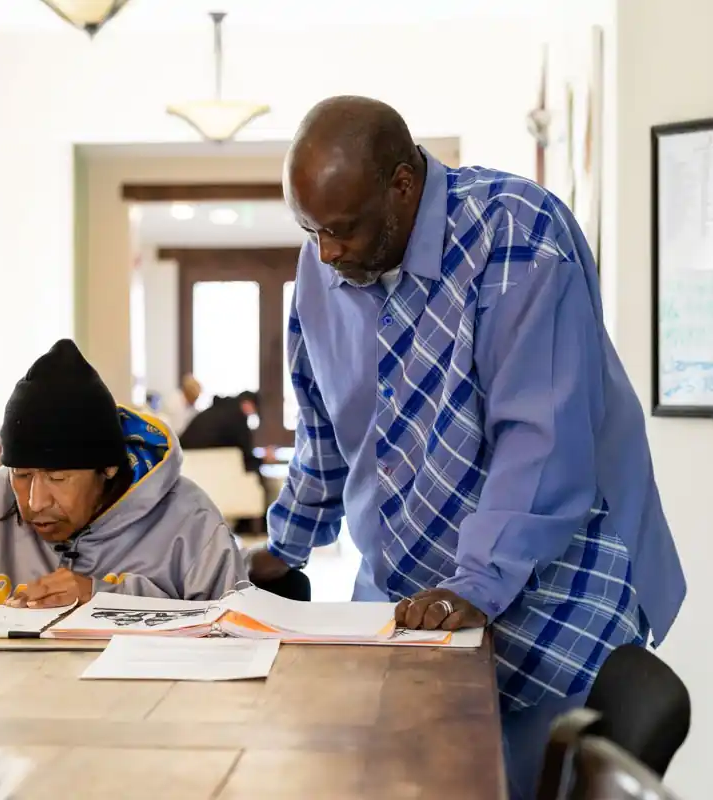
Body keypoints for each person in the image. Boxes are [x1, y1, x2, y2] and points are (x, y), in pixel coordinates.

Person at [247, 96, 686, 800]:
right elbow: (325, 424)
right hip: (412, 594)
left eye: (342, 229)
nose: (325, 253)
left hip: (552, 585)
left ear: (402, 184)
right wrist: (285, 544)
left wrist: (475, 585)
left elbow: (541, 441)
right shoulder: (324, 264)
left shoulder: (514, 232)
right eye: (311, 230)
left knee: (491, 784)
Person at [0, 339, 246, 615]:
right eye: (22, 474)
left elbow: (238, 624)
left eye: (58, 477)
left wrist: (101, 599)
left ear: (108, 468)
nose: (35, 502)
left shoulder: (190, 521)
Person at [179, 390, 265, 472]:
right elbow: (247, 461)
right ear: (248, 404)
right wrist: (263, 460)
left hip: (182, 458)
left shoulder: (216, 410)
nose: (250, 414)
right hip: (198, 462)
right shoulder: (237, 419)